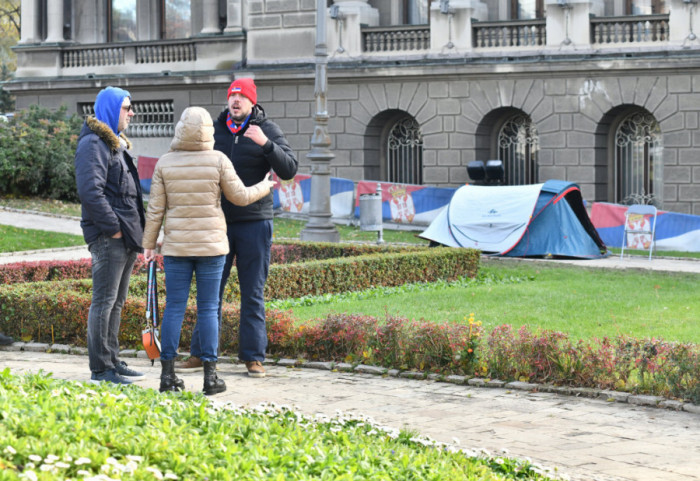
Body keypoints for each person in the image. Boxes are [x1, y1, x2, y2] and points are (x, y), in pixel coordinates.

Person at [142, 106, 276, 395]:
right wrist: (264, 187)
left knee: (174, 308)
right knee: (207, 308)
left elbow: (155, 210)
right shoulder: (218, 160)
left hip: (177, 247)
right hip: (212, 247)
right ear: (208, 132)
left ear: (180, 129)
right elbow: (240, 197)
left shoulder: (165, 162)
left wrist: (149, 245)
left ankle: (167, 377)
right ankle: (210, 378)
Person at [177, 78, 298, 378]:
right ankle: (201, 354)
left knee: (252, 292)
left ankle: (253, 358)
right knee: (210, 291)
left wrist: (266, 145)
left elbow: (289, 170)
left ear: (252, 102)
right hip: (217, 222)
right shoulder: (214, 130)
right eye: (232, 95)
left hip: (255, 223)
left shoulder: (266, 130)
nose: (236, 100)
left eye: (242, 96)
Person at [74, 86, 146, 385]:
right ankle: (101, 368)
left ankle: (113, 361)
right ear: (111, 109)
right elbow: (91, 192)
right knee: (104, 302)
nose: (132, 113)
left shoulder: (114, 144)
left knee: (116, 302)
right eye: (126, 107)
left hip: (125, 237)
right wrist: (113, 229)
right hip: (110, 237)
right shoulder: (94, 144)